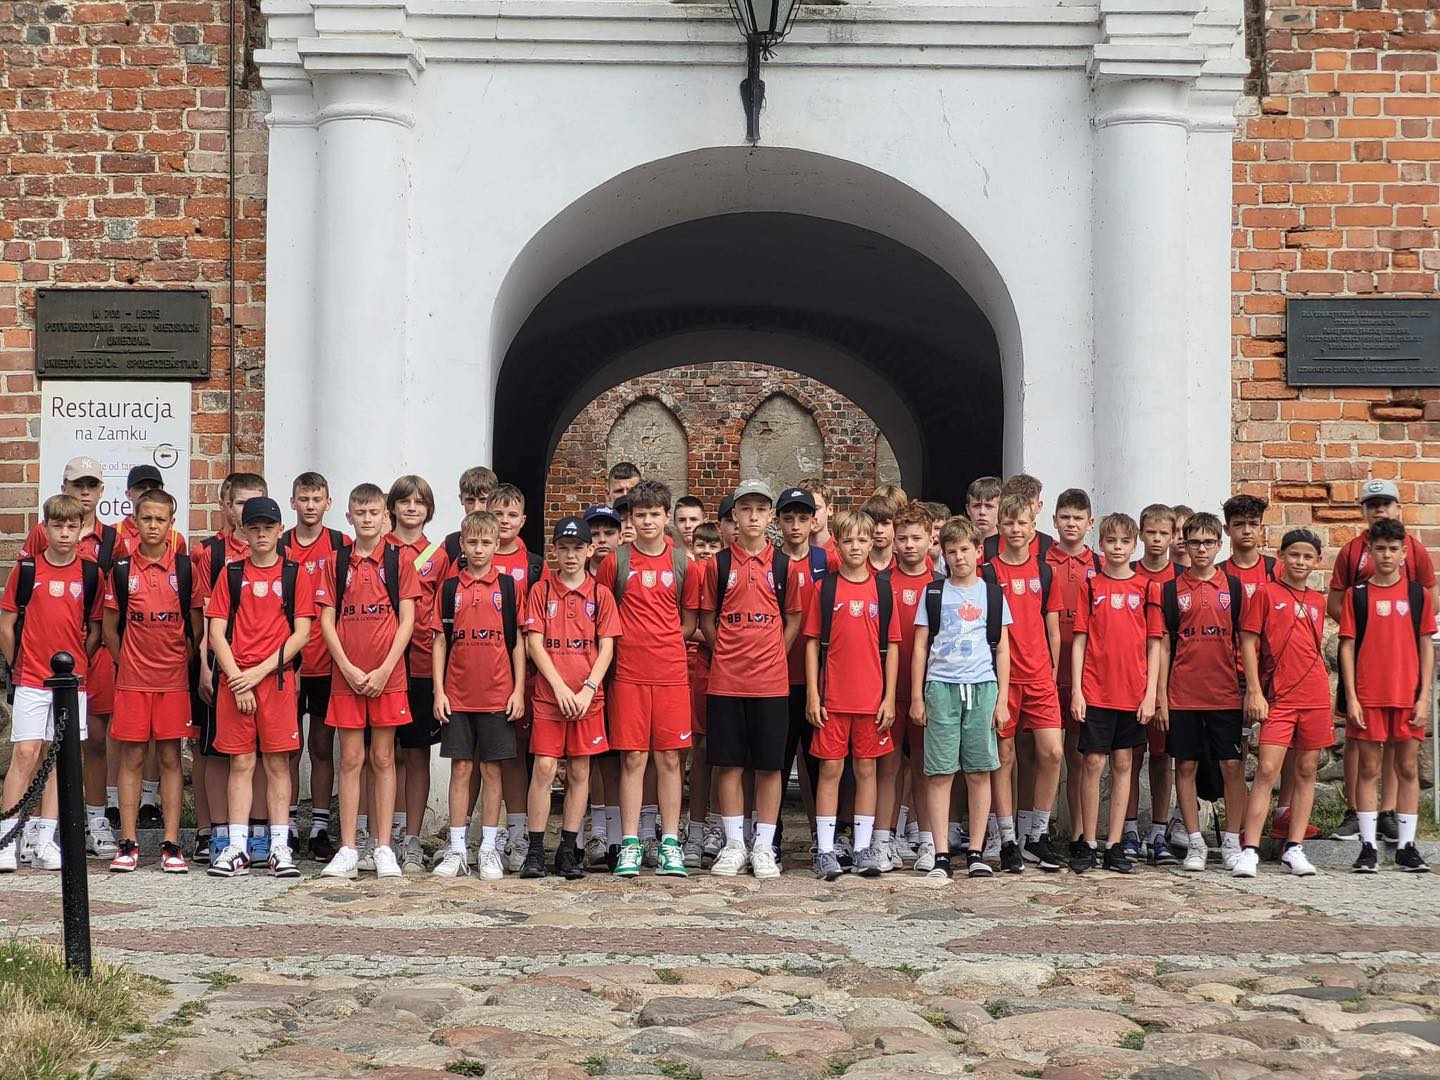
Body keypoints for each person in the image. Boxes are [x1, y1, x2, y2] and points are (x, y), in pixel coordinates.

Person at [694, 480, 803, 880]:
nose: (753, 516)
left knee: (770, 766)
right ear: (734, 516)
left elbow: (794, 618)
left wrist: (775, 651)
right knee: (729, 764)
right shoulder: (718, 565)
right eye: (746, 509)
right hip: (726, 680)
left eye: (760, 509)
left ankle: (763, 845)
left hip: (771, 683)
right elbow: (707, 618)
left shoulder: (784, 566)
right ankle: (734, 843)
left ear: (770, 515)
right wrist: (724, 649)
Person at [204, 496, 314, 878]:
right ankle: (237, 847)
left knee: (278, 762)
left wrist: (259, 673)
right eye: (254, 528)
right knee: (241, 762)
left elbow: (302, 633)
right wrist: (239, 679)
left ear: (280, 530)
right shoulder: (231, 574)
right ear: (244, 531)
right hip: (236, 682)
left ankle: (279, 846)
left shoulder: (295, 574)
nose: (262, 534)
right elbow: (216, 633)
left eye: (269, 527)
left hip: (276, 681)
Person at [595, 480, 701, 877]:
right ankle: (630, 842)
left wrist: (665, 641)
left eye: (655, 514)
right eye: (640, 515)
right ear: (630, 519)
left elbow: (688, 621)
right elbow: (603, 616)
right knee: (633, 758)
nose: (648, 521)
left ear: (666, 515)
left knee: (670, 758)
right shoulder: (615, 563)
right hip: (628, 674)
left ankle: (670, 841)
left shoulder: (683, 563)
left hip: (671, 672)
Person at [316, 484, 420, 880]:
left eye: (374, 512)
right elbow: (326, 620)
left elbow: (407, 621)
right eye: (360, 512)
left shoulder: (399, 560)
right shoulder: (336, 561)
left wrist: (385, 669)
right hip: (347, 676)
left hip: (387, 676)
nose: (367, 519)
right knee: (350, 759)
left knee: (383, 758)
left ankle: (383, 847)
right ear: (349, 517)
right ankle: (347, 848)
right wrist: (345, 666)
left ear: (385, 517)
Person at [1328, 478, 1437, 846]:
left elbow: (1430, 593)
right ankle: (1354, 811)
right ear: (1363, 510)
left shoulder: (1413, 548)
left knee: (1396, 741)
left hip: (1401, 657)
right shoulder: (1351, 551)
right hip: (1362, 652)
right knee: (1357, 736)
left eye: (1386, 503)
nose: (1379, 509)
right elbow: (1335, 600)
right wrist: (1363, 621)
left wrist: (1406, 621)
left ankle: (1388, 811)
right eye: (1372, 504)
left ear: (1397, 507)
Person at [20, 457, 119, 860]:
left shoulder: (111, 541)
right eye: (78, 484)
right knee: (36, 747)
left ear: (101, 491)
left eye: (91, 485)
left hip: (89, 659)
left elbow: (106, 609)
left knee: (91, 741)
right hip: (39, 663)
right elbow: (24, 599)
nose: (85, 491)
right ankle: (30, 829)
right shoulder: (39, 537)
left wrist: (88, 652)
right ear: (64, 487)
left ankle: (92, 822)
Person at [0, 494, 101, 873]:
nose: (64, 533)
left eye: (72, 526)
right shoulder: (27, 569)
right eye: (57, 526)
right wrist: (18, 663)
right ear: (45, 528)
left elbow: (94, 629)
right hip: (31, 677)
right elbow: (6, 624)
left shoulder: (89, 573)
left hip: (71, 684)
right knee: (26, 754)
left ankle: (45, 839)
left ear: (80, 530)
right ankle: (8, 838)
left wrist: (79, 663)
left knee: (59, 758)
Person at [910, 515, 1011, 880]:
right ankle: (940, 852)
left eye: (965, 549)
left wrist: (1002, 699)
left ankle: (976, 851)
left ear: (978, 551)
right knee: (940, 772)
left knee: (979, 771)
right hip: (941, 687)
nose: (959, 557)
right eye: (951, 551)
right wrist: (917, 696)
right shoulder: (934, 593)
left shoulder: (992, 594)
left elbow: (1003, 649)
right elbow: (920, 646)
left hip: (982, 686)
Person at [520, 516, 621, 879]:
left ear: (589, 550)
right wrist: (560, 687)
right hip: (551, 696)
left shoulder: (600, 594)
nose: (571, 555)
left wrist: (588, 688)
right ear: (554, 551)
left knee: (580, 770)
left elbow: (606, 647)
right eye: (564, 548)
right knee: (545, 768)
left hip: (587, 699)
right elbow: (534, 644)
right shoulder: (541, 591)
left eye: (578, 548)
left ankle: (568, 850)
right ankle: (535, 851)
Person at [103, 489, 198, 873]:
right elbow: (110, 629)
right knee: (132, 757)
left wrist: (177, 663)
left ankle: (171, 844)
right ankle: (127, 843)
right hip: (132, 683)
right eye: (146, 519)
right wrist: (127, 663)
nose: (153, 526)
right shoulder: (121, 569)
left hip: (173, 682)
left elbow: (195, 629)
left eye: (161, 519)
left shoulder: (185, 569)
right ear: (135, 522)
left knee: (170, 757)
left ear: (171, 523)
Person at [804, 509, 901, 880]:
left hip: (871, 699)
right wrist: (813, 695)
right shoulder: (825, 589)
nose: (856, 547)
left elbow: (892, 647)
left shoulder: (882, 590)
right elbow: (812, 644)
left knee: (866, 769)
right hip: (833, 698)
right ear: (838, 545)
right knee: (830, 769)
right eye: (848, 541)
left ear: (872, 542)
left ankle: (862, 847)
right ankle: (826, 849)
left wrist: (889, 697)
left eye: (862, 539)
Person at [430, 511, 527, 879]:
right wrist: (439, 691)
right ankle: (457, 848)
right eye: (472, 542)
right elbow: (440, 641)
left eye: (486, 542)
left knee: (492, 769)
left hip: (498, 695)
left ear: (497, 545)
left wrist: (519, 690)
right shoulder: (449, 589)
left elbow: (518, 643)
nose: (479, 549)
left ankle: (488, 848)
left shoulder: (508, 587)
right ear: (463, 544)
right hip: (457, 695)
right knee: (461, 769)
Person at [1153, 512, 1249, 873]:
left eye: (1209, 542)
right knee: (1186, 765)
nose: (1202, 549)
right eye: (1195, 542)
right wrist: (1161, 697)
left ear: (1220, 544)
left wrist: (1252, 690)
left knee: (1232, 766)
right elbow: (1164, 646)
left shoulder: (1234, 588)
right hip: (1183, 694)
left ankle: (1232, 841)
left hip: (1225, 693)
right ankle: (1195, 841)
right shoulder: (1170, 590)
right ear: (1185, 544)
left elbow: (1247, 642)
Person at [1233, 528, 1330, 878]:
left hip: (1315, 694)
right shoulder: (1265, 593)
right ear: (1281, 556)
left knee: (1306, 770)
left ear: (1317, 561)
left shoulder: (1318, 601)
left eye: (1307, 557)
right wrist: (1254, 690)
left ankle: (1294, 847)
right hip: (1279, 695)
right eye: (1294, 555)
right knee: (1267, 770)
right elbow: (1248, 642)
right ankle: (1250, 849)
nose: (1300, 562)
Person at [1070, 512, 1158, 875]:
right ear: (1101, 544)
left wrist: (1150, 694)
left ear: (1134, 545)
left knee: (1125, 765)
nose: (1117, 548)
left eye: (1124, 541)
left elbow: (1154, 644)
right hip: (1096, 691)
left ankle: (1115, 843)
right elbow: (1080, 640)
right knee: (1093, 763)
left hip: (1132, 692)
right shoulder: (1091, 586)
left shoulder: (1146, 588)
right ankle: (1088, 842)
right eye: (1111, 541)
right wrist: (1077, 690)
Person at [192, 471, 269, 866]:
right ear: (227, 506)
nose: (248, 510)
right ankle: (213, 831)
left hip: (264, 667)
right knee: (215, 749)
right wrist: (205, 666)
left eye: (256, 501)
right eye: (241, 502)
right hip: (220, 661)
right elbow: (204, 618)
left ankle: (258, 829)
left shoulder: (274, 548)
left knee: (261, 751)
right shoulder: (211, 553)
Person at [985, 493, 1064, 873]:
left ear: (1034, 527)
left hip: (1039, 676)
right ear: (999, 527)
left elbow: (1054, 629)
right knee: (1004, 757)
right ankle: (1006, 838)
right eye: (1009, 523)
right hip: (1002, 678)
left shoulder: (1045, 572)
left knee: (1052, 752)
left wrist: (1053, 672)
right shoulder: (988, 572)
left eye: (1022, 523)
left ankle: (1037, 834)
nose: (1016, 529)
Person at [279, 472, 348, 860]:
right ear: (293, 502)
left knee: (322, 746)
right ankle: (287, 825)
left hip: (327, 662)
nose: (310, 505)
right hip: (289, 662)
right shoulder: (281, 544)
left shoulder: (340, 544)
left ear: (328, 503)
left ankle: (320, 827)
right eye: (303, 498)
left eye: (316, 498)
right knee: (290, 748)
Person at [385, 475, 450, 872]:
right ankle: (383, 834)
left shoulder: (437, 556)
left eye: (419, 502)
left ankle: (410, 838)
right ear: (392, 507)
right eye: (405, 501)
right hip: (382, 663)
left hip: (422, 663)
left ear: (428, 509)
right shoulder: (378, 548)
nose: (411, 508)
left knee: (415, 754)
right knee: (382, 753)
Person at [487, 483, 545, 870]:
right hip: (481, 671)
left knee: (518, 754)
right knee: (487, 757)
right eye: (498, 514)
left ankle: (519, 830)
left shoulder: (535, 565)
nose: (505, 521)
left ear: (523, 521)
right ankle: (490, 833)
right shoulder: (472, 557)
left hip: (522, 672)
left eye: (511, 515)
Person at [1045, 488, 1102, 857]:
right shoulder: (1041, 562)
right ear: (1054, 521)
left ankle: (1081, 834)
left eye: (1078, 518)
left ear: (1089, 523)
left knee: (1079, 756)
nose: (1071, 524)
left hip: (1086, 674)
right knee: (1041, 755)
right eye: (1064, 517)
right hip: (1047, 671)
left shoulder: (1100, 565)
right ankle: (1035, 830)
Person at [1124, 502, 1182, 861]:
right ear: (1141, 534)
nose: (1157, 539)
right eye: (1151, 532)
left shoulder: (1180, 579)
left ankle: (1159, 831)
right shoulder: (1127, 573)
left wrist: (1164, 693)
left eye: (1164, 533)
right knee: (1129, 757)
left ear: (1174, 536)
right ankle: (1129, 829)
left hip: (1171, 681)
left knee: (1162, 758)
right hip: (1130, 678)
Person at [775, 487, 828, 862]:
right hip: (778, 677)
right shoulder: (772, 562)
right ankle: (771, 834)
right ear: (778, 522)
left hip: (819, 679)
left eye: (803, 518)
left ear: (813, 522)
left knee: (818, 762)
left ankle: (822, 835)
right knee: (776, 763)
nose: (796, 525)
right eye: (789, 518)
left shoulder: (827, 561)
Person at [885, 501, 938, 870]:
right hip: (890, 689)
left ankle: (928, 840)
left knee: (924, 766)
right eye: (902, 538)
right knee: (889, 767)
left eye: (916, 538)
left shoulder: (940, 585)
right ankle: (885, 837)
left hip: (930, 691)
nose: (909, 545)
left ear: (930, 539)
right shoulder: (882, 583)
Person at [581, 504, 624, 866]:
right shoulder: (573, 577)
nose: (601, 540)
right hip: (579, 679)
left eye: (608, 533)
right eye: (594, 534)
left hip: (616, 675)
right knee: (584, 761)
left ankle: (615, 836)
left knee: (611, 759)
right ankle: (592, 831)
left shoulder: (621, 573)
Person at [683, 519, 724, 867]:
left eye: (713, 546)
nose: (707, 552)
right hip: (698, 669)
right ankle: (695, 826)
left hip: (725, 668)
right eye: (701, 546)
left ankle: (717, 824)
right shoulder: (690, 575)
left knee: (723, 752)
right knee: (699, 750)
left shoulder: (723, 575)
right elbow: (688, 625)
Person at [441, 465, 499, 569]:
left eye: (483, 500)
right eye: (470, 500)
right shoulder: (450, 544)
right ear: (461, 499)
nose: (476, 508)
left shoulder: (512, 544)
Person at [860, 493, 902, 574]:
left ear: (895, 525)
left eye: (885, 523)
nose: (879, 530)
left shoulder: (906, 565)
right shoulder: (852, 565)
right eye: (874, 523)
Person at [965, 477, 1002, 545]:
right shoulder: (957, 546)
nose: (982, 512)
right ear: (968, 509)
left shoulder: (1010, 547)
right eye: (976, 506)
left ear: (1001, 509)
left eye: (989, 506)